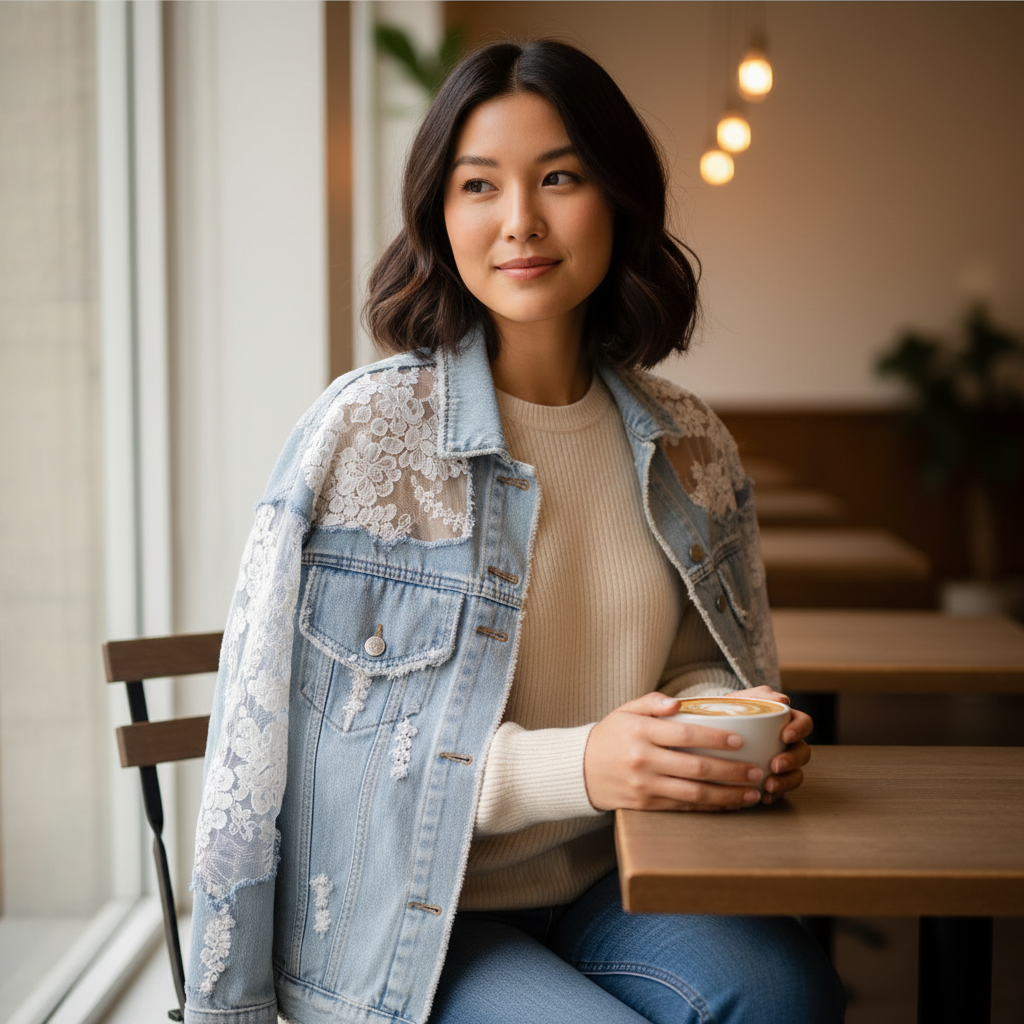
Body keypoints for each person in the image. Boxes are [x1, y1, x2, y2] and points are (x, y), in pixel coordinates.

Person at [184, 39, 844, 1024]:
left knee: (784, 993)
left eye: (560, 178)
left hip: (609, 880)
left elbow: (696, 660)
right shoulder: (365, 438)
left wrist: (719, 729)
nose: (520, 221)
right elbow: (312, 765)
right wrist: (576, 765)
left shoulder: (688, 440)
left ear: (617, 198)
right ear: (438, 215)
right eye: (479, 185)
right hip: (412, 924)